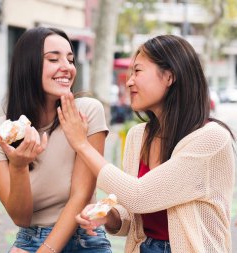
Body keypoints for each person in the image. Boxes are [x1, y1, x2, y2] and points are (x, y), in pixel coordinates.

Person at [57, 34, 236, 253]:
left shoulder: (211, 138)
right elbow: (133, 217)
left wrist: (81, 145)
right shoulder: (137, 136)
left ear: (169, 76)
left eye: (138, 71)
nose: (129, 80)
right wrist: (108, 216)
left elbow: (139, 195)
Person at [0, 27, 111, 253]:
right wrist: (18, 167)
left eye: (70, 60)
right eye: (53, 59)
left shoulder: (86, 112)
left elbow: (81, 195)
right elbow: (20, 217)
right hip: (31, 240)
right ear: (28, 66)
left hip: (85, 240)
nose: (67, 67)